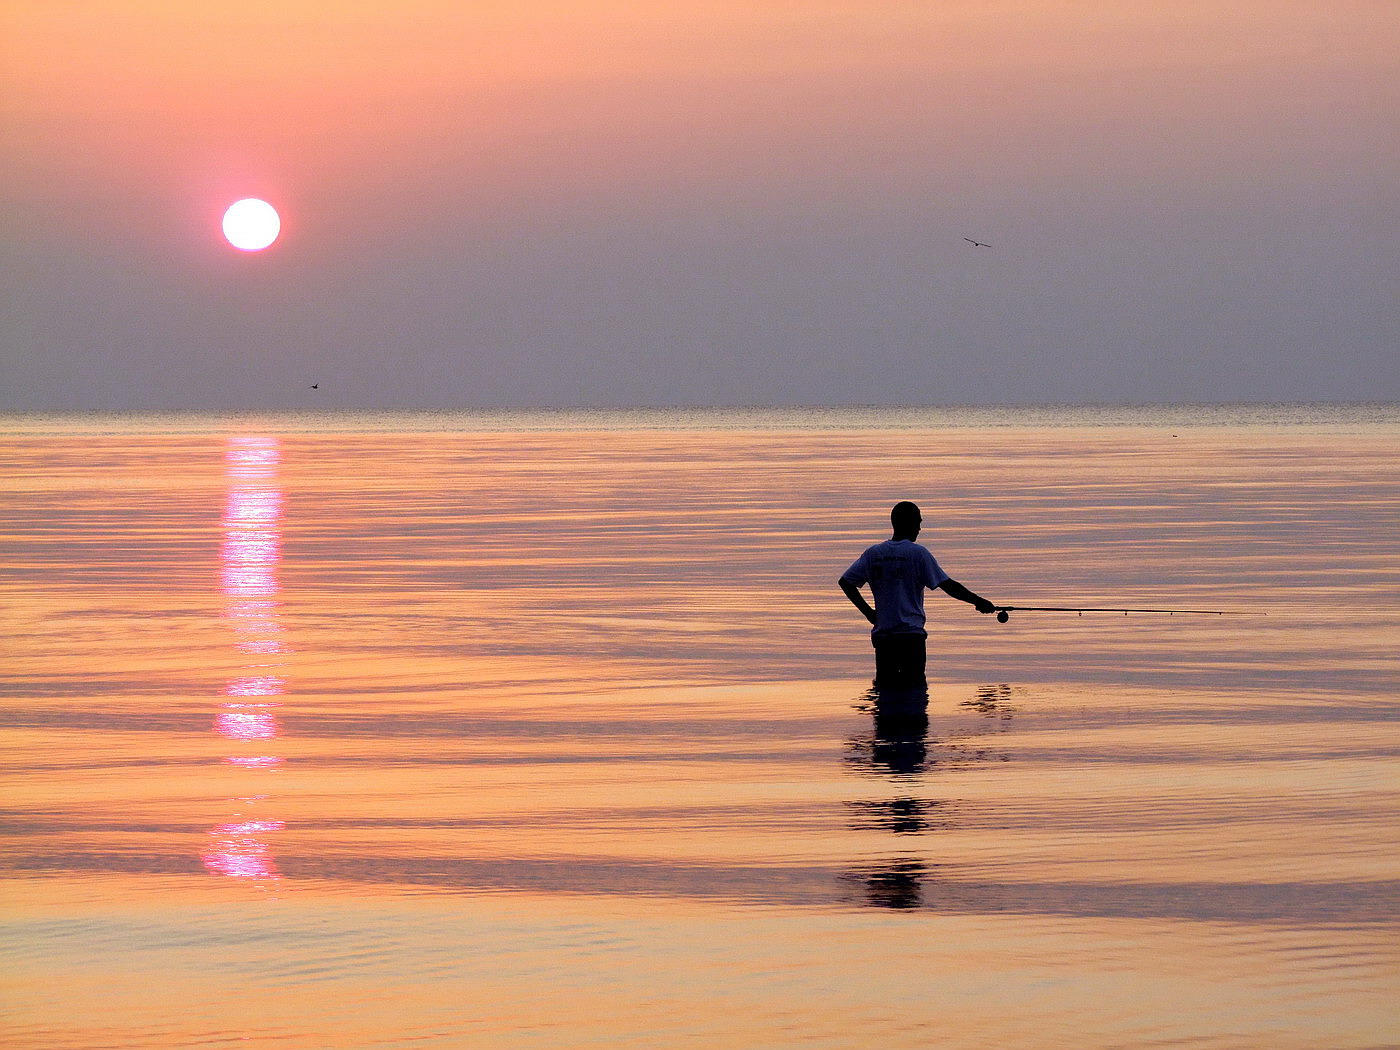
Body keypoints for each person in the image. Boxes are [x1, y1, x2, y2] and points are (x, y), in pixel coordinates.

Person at [839, 501, 996, 691]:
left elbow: (846, 582)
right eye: (918, 522)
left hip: (884, 638)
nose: (920, 528)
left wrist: (870, 614)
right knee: (915, 695)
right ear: (908, 523)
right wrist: (979, 601)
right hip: (911, 638)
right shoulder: (918, 553)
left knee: (885, 694)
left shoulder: (874, 554)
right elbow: (947, 585)